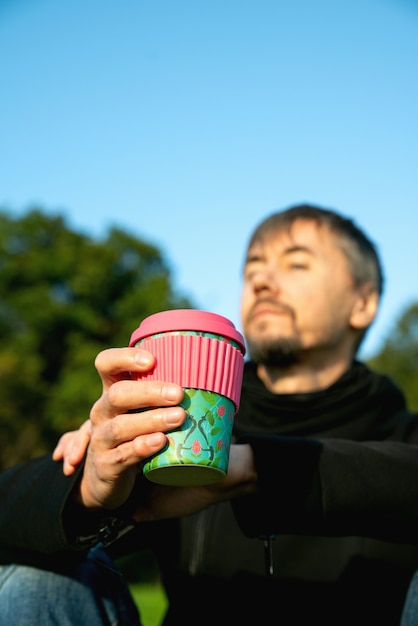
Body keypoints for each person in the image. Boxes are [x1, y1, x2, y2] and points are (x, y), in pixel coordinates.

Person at [2, 203, 418, 625]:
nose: (261, 280)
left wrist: (257, 469)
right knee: (36, 582)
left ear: (362, 302)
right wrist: (87, 494)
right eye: (252, 266)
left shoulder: (402, 438)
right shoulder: (187, 426)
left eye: (296, 264)